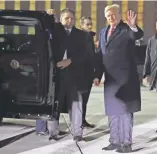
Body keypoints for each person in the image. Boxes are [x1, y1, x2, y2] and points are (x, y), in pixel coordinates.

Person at [93, 4, 143, 153]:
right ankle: (114, 141)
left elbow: (136, 35)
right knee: (113, 111)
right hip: (110, 79)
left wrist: (134, 26)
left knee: (126, 112)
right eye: (108, 15)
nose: (111, 17)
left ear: (119, 15)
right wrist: (97, 75)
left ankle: (126, 143)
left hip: (126, 79)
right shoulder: (103, 32)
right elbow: (101, 56)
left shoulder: (126, 29)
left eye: (113, 14)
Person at [47, 8, 90, 142]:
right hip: (56, 76)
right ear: (61, 19)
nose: (70, 20)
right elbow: (46, 29)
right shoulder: (55, 31)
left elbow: (85, 55)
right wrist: (49, 16)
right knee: (55, 105)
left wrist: (70, 61)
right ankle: (53, 133)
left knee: (76, 105)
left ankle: (77, 133)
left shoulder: (81, 35)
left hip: (75, 76)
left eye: (72, 18)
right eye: (66, 18)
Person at [80, 16, 96, 128]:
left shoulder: (90, 37)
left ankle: (82, 120)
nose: (89, 26)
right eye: (87, 24)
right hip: (81, 73)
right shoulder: (79, 37)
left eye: (90, 24)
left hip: (89, 73)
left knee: (85, 99)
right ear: (82, 25)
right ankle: (78, 122)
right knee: (80, 99)